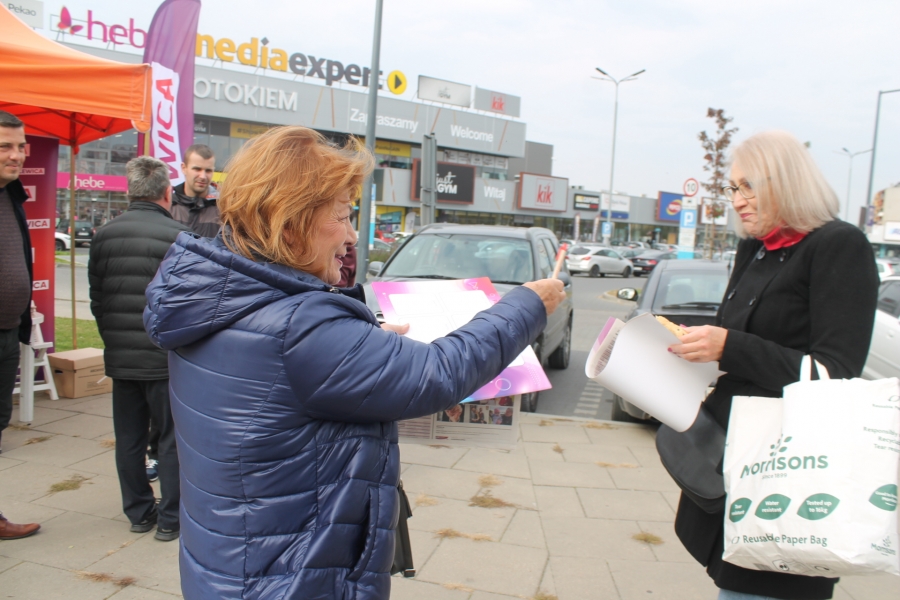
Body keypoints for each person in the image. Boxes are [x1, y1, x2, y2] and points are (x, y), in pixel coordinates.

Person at [143, 126, 565, 600]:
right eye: (342, 215)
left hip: (229, 564)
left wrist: (357, 341)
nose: (349, 235)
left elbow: (281, 373)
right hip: (293, 580)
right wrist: (527, 304)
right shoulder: (300, 327)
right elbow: (440, 372)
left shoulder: (217, 296)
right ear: (290, 221)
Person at [669, 130, 879, 600]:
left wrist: (730, 347)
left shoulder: (839, 245)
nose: (737, 200)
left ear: (786, 180)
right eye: (732, 187)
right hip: (737, 460)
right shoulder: (756, 246)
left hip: (790, 470)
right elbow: (736, 339)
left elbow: (835, 372)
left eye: (748, 186)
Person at [89, 156, 189, 542]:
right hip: (165, 357)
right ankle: (170, 518)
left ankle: (138, 511)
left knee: (129, 439)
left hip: (122, 357)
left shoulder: (104, 235)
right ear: (166, 192)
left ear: (130, 191)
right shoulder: (179, 236)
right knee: (170, 438)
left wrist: (113, 341)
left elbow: (98, 299)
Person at [0, 110, 41, 540]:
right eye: (5, 147)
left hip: (8, 330)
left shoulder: (12, 195)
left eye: (21, 146)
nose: (17, 155)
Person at [170, 144, 219, 237]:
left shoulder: (223, 210)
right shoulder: (169, 207)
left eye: (208, 171)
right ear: (184, 168)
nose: (203, 176)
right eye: (197, 169)